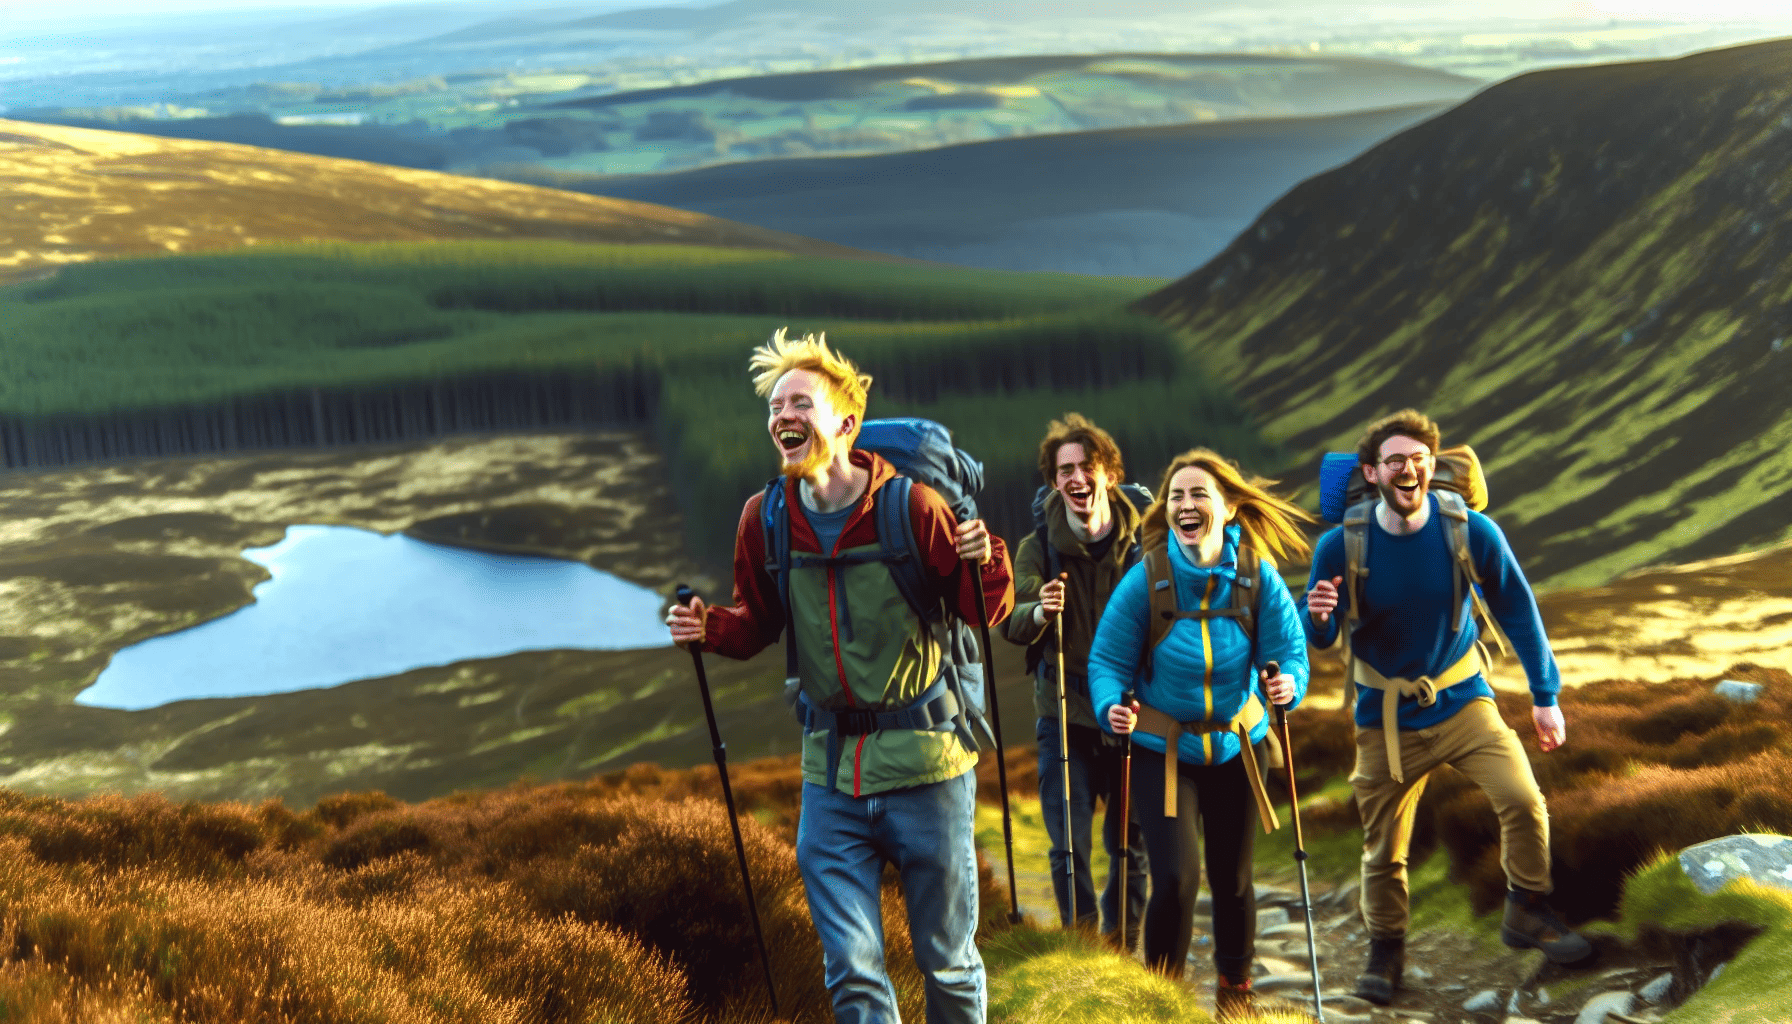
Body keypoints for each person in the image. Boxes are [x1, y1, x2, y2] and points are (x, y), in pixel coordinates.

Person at [665, 328, 1013, 1024]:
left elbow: (980, 608)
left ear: (846, 424)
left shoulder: (912, 508)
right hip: (830, 781)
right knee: (851, 973)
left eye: (800, 403)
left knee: (946, 962)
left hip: (929, 771)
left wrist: (989, 555)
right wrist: (710, 628)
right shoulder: (763, 520)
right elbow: (758, 622)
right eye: (774, 407)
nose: (782, 417)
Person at [1301, 408, 1591, 1008]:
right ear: (1372, 472)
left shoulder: (1469, 530)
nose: (1408, 470)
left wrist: (1545, 697)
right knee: (1384, 849)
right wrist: (1320, 614)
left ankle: (1527, 907)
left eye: (1418, 460)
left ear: (1432, 467)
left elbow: (1518, 607)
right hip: (1383, 716)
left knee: (1522, 799)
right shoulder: (1340, 545)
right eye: (1395, 461)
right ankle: (1386, 949)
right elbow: (1320, 638)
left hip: (1464, 702)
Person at [1087, 447, 1312, 1021]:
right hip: (1165, 752)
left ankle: (1235, 995)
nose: (1186, 506)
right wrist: (1112, 704)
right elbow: (1107, 661)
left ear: (1230, 507)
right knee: (1176, 878)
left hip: (1239, 746)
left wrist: (1288, 684)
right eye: (1177, 497)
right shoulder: (1148, 581)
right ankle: (1162, 1001)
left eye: (1199, 495)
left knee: (1234, 881)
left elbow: (1289, 653)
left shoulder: (1258, 579)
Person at [999, 413, 1149, 947]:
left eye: (1088, 466)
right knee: (1068, 843)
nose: (1077, 479)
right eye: (1065, 471)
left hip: (1133, 713)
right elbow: (1011, 622)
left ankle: (1121, 946)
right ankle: (1083, 947)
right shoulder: (1037, 547)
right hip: (1063, 714)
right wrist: (1040, 611)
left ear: (1109, 473)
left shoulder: (1147, 543)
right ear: (1053, 482)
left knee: (1130, 842)